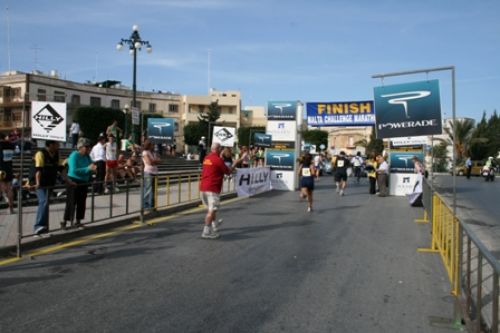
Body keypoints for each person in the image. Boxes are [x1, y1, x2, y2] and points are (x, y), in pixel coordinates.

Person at [199, 142, 245, 239]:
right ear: (219, 149)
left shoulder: (207, 158)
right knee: (211, 210)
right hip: (212, 188)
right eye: (221, 149)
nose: (222, 150)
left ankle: (214, 225)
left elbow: (214, 168)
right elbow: (228, 172)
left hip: (203, 187)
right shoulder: (218, 160)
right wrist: (235, 163)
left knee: (211, 209)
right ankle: (206, 231)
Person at [61, 138, 96, 229]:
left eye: (89, 147)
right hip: (73, 181)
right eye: (87, 147)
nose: (89, 149)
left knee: (81, 202)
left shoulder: (87, 156)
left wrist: (92, 170)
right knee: (71, 202)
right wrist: (88, 169)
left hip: (83, 182)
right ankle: (65, 221)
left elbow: (90, 167)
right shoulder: (74, 156)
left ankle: (78, 221)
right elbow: (74, 170)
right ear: (80, 147)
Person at [33, 140, 65, 235]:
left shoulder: (56, 154)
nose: (59, 145)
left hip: (50, 183)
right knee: (43, 202)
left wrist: (68, 181)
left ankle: (44, 227)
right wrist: (38, 183)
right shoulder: (40, 153)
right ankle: (38, 226)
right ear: (51, 144)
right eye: (57, 144)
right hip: (40, 183)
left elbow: (61, 168)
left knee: (46, 204)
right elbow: (38, 170)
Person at [142, 139, 161, 210]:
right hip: (148, 173)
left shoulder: (153, 153)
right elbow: (149, 162)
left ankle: (152, 206)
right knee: (148, 190)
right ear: (149, 145)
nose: (154, 146)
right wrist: (155, 161)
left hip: (155, 172)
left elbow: (160, 161)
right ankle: (146, 206)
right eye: (152, 144)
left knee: (154, 190)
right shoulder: (145, 152)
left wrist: (154, 161)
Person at [0, 134, 15, 214]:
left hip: (1, 169)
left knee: (3, 188)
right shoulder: (11, 145)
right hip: (9, 168)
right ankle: (10, 209)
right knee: (9, 189)